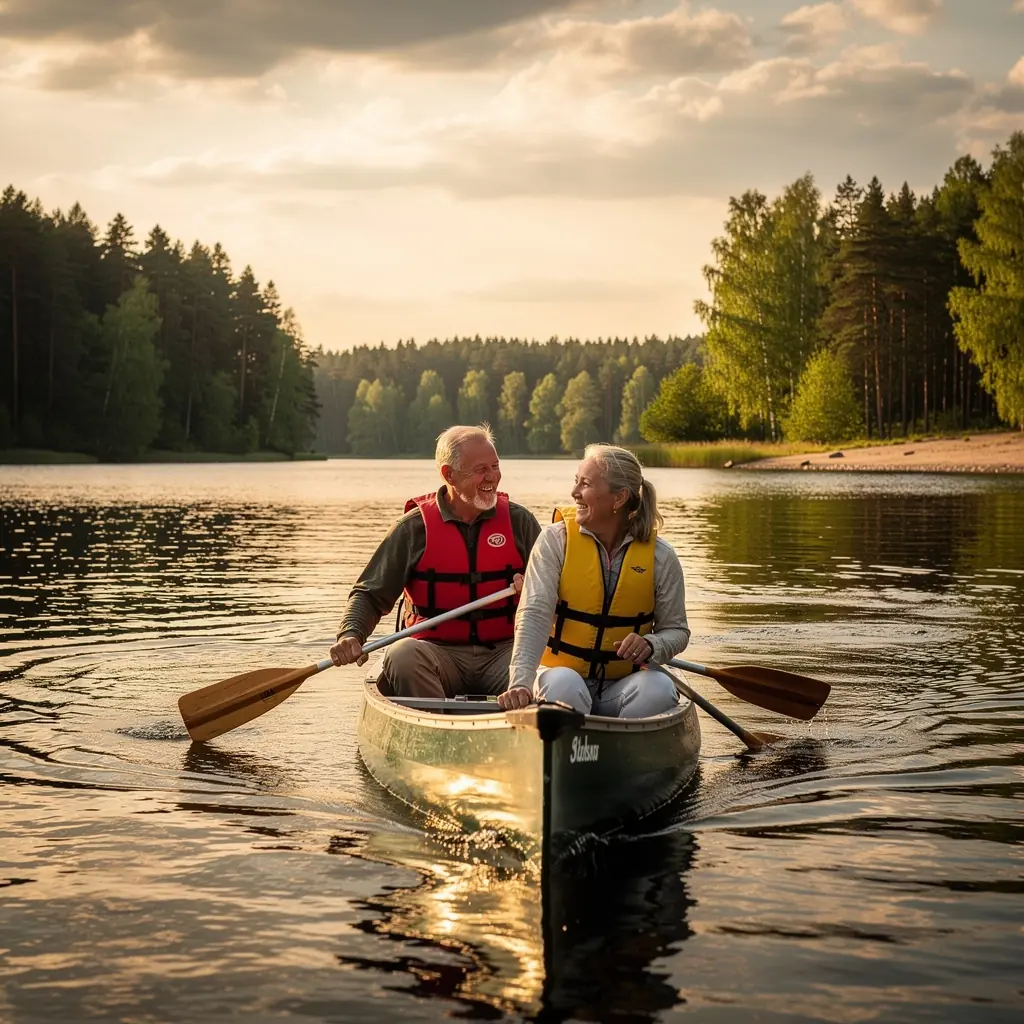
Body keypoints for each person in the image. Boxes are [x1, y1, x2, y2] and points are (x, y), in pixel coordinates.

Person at [330, 424, 542, 698]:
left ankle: (519, 726)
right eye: (481, 470)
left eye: (495, 466)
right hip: (435, 653)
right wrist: (351, 634)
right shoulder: (412, 529)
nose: (492, 477)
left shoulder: (519, 522)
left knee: (546, 671)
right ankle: (436, 722)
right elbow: (369, 594)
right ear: (448, 475)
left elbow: (557, 589)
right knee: (401, 655)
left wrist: (534, 590)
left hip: (505, 653)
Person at [498, 443, 690, 717]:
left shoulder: (661, 556)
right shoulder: (555, 541)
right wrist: (520, 682)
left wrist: (652, 645)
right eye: (576, 482)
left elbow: (677, 631)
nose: (574, 493)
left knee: (658, 689)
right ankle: (569, 746)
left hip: (623, 685)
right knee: (564, 685)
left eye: (585, 484)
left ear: (619, 497)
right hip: (561, 678)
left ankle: (625, 751)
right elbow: (534, 614)